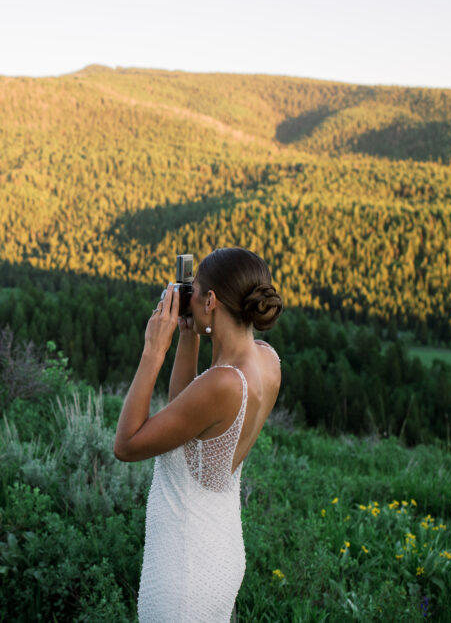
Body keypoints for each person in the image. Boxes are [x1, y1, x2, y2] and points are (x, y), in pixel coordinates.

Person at [113, 247, 283, 622]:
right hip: (218, 550)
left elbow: (125, 446)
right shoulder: (267, 362)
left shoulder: (221, 383)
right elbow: (184, 421)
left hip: (184, 567)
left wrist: (154, 351)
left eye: (196, 293)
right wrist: (189, 338)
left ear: (210, 300)